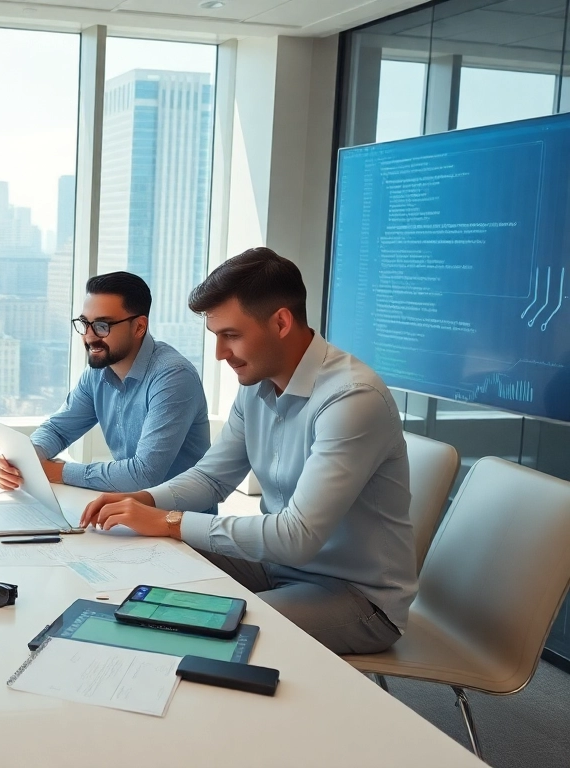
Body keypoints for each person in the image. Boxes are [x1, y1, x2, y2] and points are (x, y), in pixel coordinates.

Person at [80, 247, 415, 655]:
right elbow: (211, 478)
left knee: (198, 630)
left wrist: (168, 520)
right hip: (277, 565)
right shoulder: (257, 384)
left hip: (356, 595)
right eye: (216, 336)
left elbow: (297, 536)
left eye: (231, 335)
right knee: (143, 569)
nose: (220, 354)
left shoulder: (351, 399)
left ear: (281, 322)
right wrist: (142, 501)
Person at [0, 271, 210, 499]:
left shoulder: (174, 377)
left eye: (102, 326)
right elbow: (57, 430)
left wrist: (57, 471)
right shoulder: (98, 372)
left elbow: (144, 474)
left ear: (139, 327)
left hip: (178, 517)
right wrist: (24, 460)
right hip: (129, 509)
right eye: (84, 324)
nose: (89, 337)